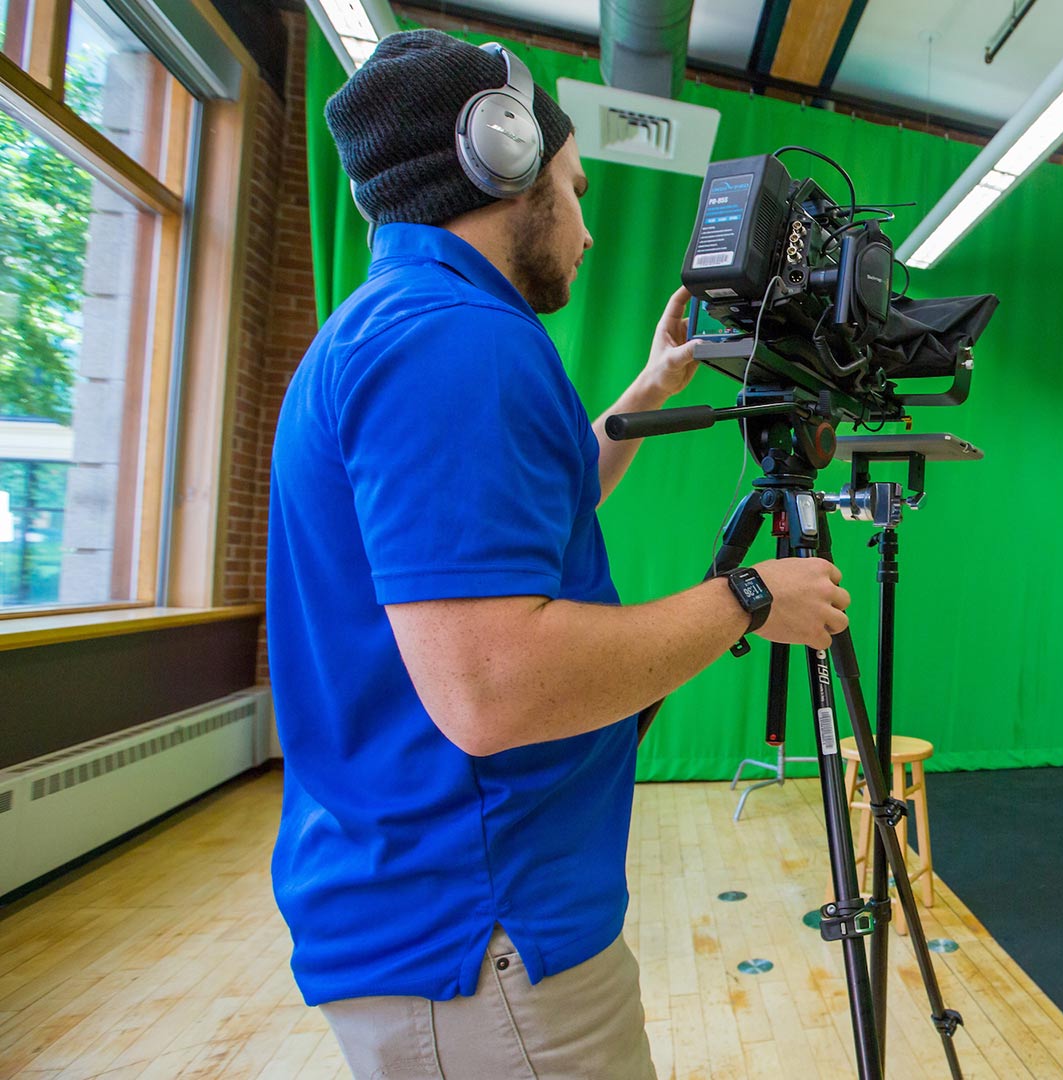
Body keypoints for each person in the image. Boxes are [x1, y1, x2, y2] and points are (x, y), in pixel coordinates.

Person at [266, 30, 849, 1079]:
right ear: (501, 159)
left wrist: (649, 388)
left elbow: (512, 523)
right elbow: (491, 686)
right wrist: (751, 598)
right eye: (576, 189)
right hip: (486, 942)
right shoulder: (458, 341)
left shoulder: (394, 323)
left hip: (447, 918)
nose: (588, 226)